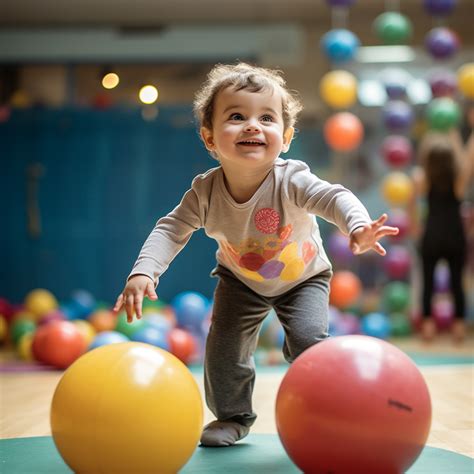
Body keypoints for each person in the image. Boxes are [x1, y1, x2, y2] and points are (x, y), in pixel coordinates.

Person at [113, 63, 398, 447]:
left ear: (286, 136)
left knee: (310, 341)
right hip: (240, 281)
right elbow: (171, 228)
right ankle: (232, 417)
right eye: (236, 116)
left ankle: (325, 412)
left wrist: (358, 227)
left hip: (303, 278)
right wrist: (143, 272)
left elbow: (334, 196)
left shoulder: (291, 179)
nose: (252, 125)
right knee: (224, 347)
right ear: (209, 137)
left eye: (267, 117)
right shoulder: (205, 192)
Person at [410, 128, 473, 343]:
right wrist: (457, 135)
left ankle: (428, 329)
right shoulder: (458, 183)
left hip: (432, 236)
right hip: (456, 237)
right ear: (452, 160)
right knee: (457, 283)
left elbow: (412, 204)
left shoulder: (423, 179)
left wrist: (415, 225)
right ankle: (458, 330)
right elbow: (469, 160)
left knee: (428, 284)